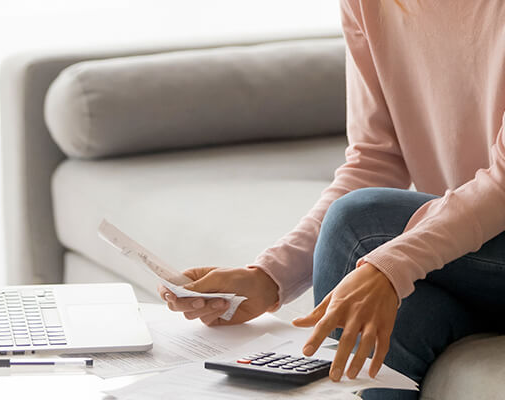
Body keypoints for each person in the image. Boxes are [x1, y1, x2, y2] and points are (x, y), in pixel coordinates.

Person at [160, 1, 505, 398]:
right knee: (405, 318)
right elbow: (374, 160)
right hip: (474, 261)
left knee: (357, 222)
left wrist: (389, 265)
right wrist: (267, 278)